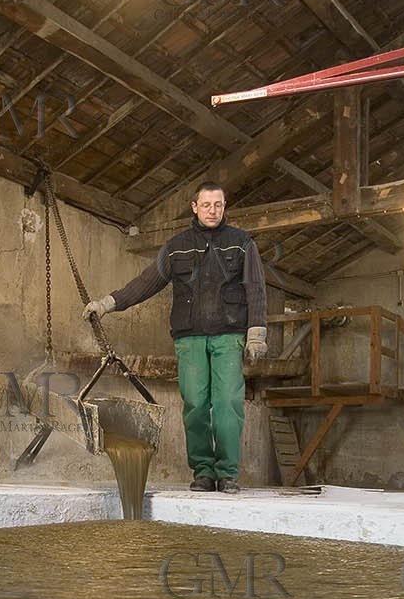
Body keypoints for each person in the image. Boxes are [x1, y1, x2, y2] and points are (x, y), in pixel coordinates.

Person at [84, 182, 267, 493]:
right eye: (207, 205)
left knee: (227, 404)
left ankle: (227, 473)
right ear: (194, 207)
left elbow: (256, 288)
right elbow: (146, 282)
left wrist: (256, 334)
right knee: (195, 404)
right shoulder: (176, 246)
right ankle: (203, 472)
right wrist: (107, 303)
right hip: (190, 337)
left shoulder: (242, 243)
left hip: (228, 335)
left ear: (224, 207)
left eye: (218, 205)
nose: (213, 210)